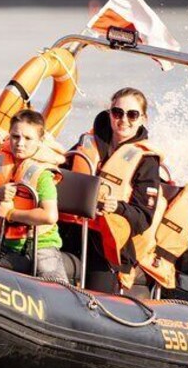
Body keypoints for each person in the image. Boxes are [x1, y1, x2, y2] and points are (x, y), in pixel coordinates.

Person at [61, 87, 163, 293]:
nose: (124, 120)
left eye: (132, 115)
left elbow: (144, 216)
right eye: (118, 113)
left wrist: (117, 207)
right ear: (110, 114)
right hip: (70, 231)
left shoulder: (146, 161)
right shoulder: (86, 142)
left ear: (143, 118)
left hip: (107, 246)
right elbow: (61, 173)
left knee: (97, 295)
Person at [0, 109, 68, 282]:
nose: (20, 143)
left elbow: (50, 215)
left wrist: (10, 213)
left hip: (41, 245)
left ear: (40, 141)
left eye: (28, 138)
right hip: (2, 242)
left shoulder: (43, 174)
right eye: (15, 137)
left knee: (54, 283)